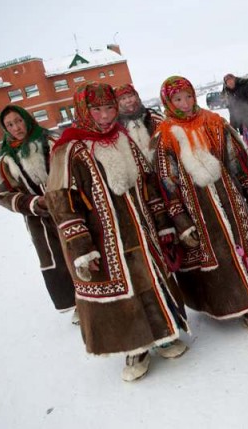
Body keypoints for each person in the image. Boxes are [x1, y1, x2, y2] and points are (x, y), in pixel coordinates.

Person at [45, 83, 189, 382]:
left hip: (141, 230)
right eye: (96, 109)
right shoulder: (69, 149)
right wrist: (82, 247)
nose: (105, 115)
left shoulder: (122, 138)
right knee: (125, 292)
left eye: (110, 107)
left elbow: (147, 183)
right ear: (83, 111)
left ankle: (164, 334)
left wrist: (161, 223)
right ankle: (135, 347)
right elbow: (61, 201)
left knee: (150, 282)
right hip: (104, 239)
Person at [154, 76, 248, 333]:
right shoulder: (165, 137)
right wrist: (181, 222)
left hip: (231, 200)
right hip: (198, 211)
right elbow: (167, 184)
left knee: (243, 246)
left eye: (188, 96)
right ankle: (232, 304)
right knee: (217, 255)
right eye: (178, 99)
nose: (185, 103)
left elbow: (238, 160)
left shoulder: (214, 122)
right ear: (168, 101)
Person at [0, 105, 77, 320]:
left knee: (80, 250)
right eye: (10, 125)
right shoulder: (7, 160)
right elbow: (2, 195)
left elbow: (73, 167)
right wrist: (33, 204)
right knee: (57, 258)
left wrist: (62, 195)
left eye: (18, 121)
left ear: (27, 119)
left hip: (69, 209)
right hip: (40, 222)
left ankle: (94, 298)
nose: (16, 127)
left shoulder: (50, 142)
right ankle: (76, 303)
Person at [114, 83, 164, 161]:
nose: (128, 101)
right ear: (118, 103)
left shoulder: (152, 116)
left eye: (130, 96)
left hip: (159, 162)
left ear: (136, 96)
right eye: (123, 99)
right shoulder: (117, 126)